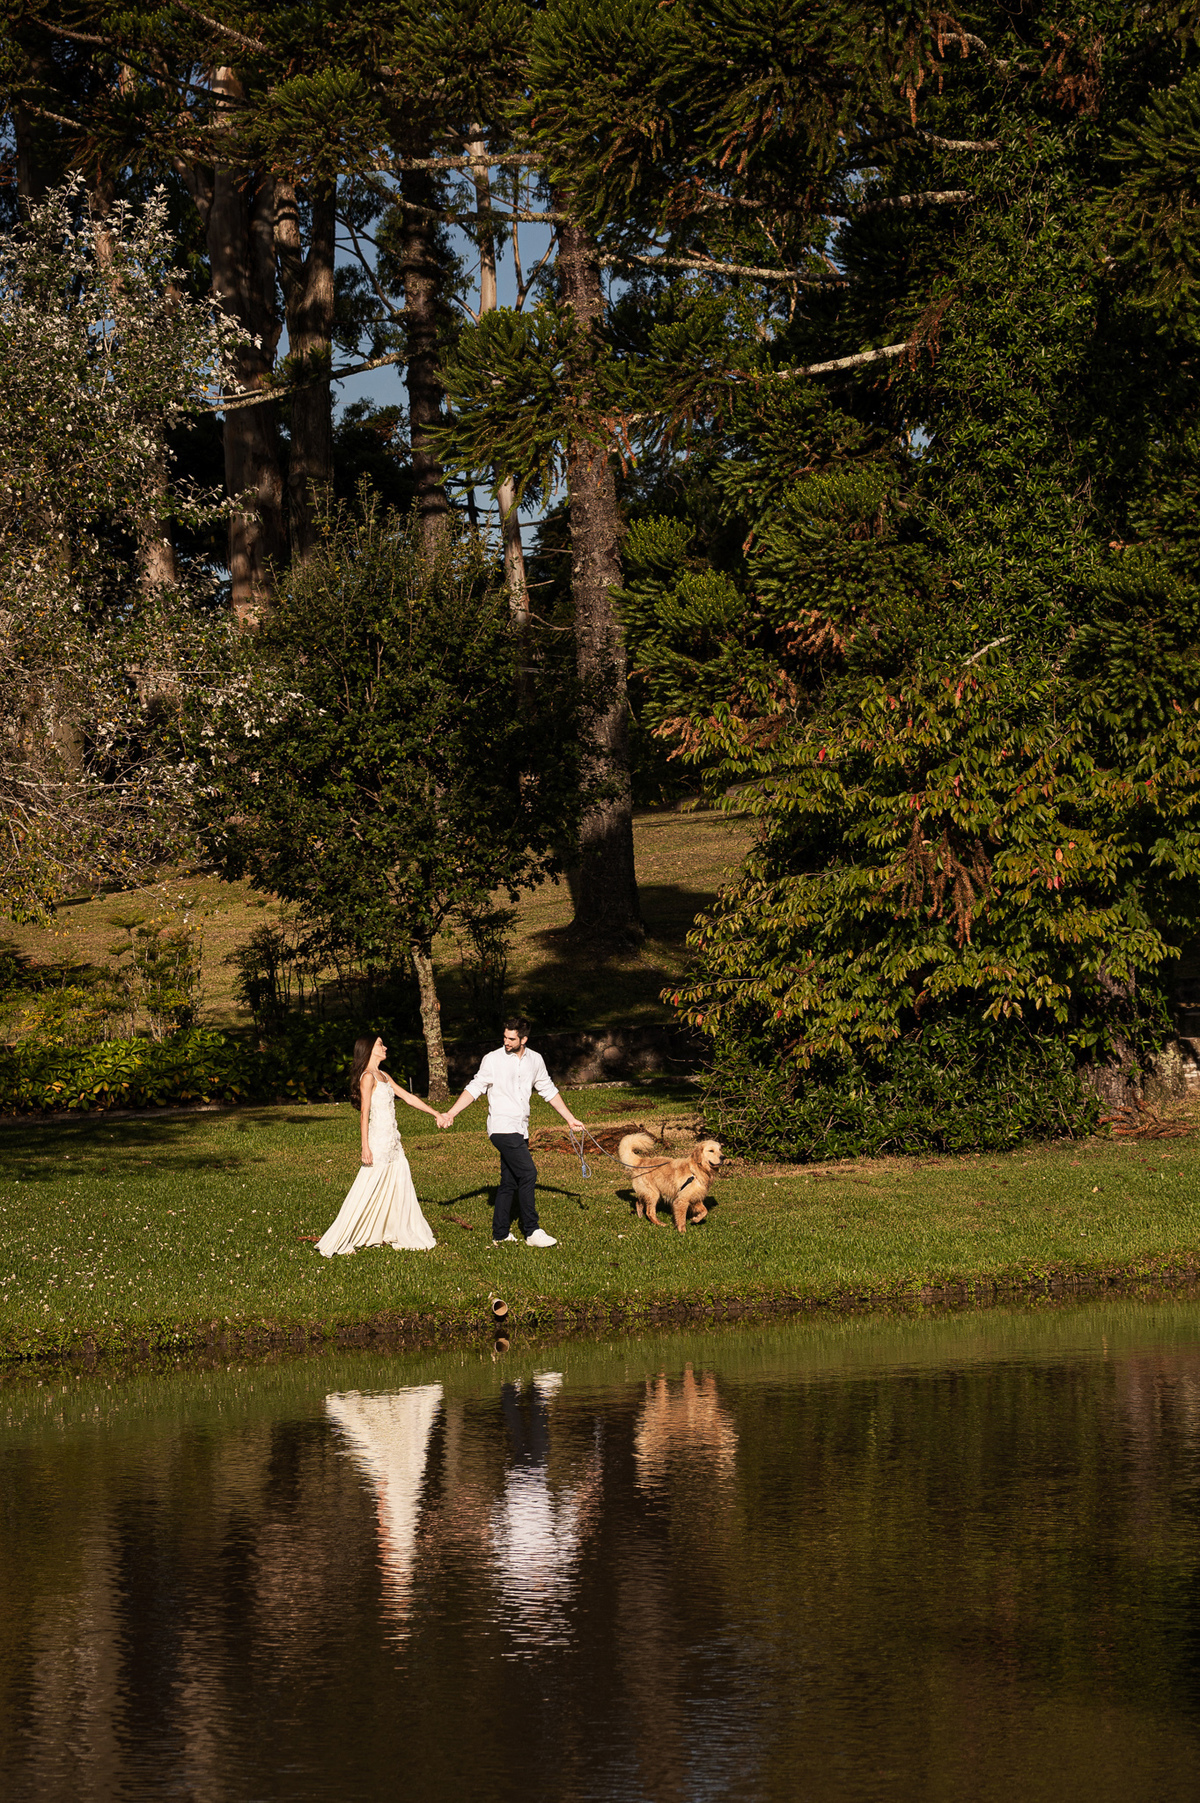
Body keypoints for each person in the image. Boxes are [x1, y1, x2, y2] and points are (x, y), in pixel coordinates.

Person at [436, 1016, 583, 1247]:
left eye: (511, 1039)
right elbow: (475, 1087)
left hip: (521, 1128)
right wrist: (451, 1113)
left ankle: (500, 1234)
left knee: (510, 1181)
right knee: (528, 1173)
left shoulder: (535, 1059)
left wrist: (570, 1119)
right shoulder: (492, 1059)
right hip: (501, 1127)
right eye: (504, 1037)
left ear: (524, 1039)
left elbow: (548, 1090)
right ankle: (532, 1230)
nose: (506, 1041)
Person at [316, 1035, 438, 1256]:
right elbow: (364, 1113)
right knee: (367, 1186)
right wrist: (365, 1147)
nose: (385, 1047)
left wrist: (436, 1113)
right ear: (370, 1049)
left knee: (398, 1182)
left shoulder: (384, 1075)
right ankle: (341, 1235)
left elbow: (408, 1097)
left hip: (393, 1141)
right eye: (380, 1044)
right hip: (378, 1141)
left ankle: (392, 1229)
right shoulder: (368, 1077)